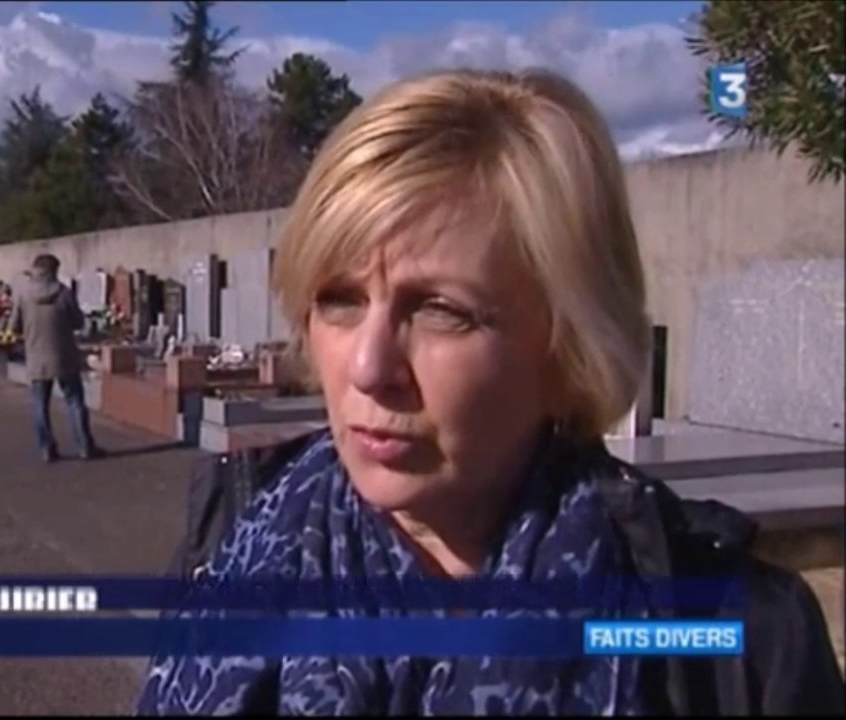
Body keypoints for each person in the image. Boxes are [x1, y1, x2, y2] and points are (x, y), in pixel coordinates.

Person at [136, 69, 844, 715]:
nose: (368, 367)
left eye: (441, 310)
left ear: (568, 343)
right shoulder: (233, 542)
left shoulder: (735, 637)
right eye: (340, 301)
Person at [10, 253, 104, 462]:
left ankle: (46, 449)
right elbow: (78, 322)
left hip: (36, 356)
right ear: (54, 271)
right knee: (75, 402)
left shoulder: (24, 295)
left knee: (39, 405)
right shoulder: (64, 293)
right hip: (64, 356)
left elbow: (14, 326)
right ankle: (84, 446)